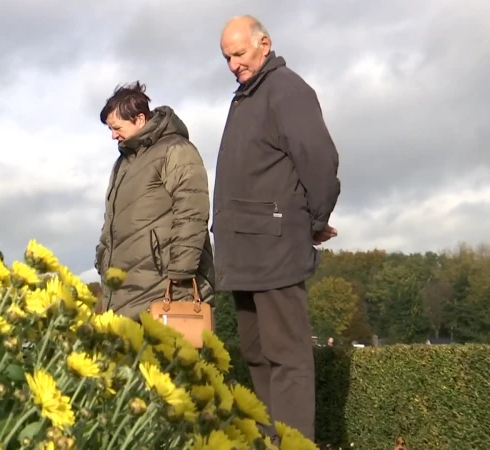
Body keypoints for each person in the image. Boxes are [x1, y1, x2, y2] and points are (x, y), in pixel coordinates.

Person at [212, 16, 341, 443]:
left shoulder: (286, 90)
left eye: (239, 53)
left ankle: (295, 444)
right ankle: (270, 442)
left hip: (275, 249)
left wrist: (314, 222)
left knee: (287, 359)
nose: (233, 64)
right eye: (226, 57)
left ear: (264, 43)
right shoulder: (247, 96)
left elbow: (320, 162)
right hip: (245, 253)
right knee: (257, 354)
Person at [94, 81, 215, 320]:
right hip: (125, 288)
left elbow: (192, 209)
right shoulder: (124, 163)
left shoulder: (176, 150)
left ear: (139, 119)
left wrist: (182, 270)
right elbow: (112, 219)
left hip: (167, 285)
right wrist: (102, 258)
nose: (112, 135)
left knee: (172, 355)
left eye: (116, 127)